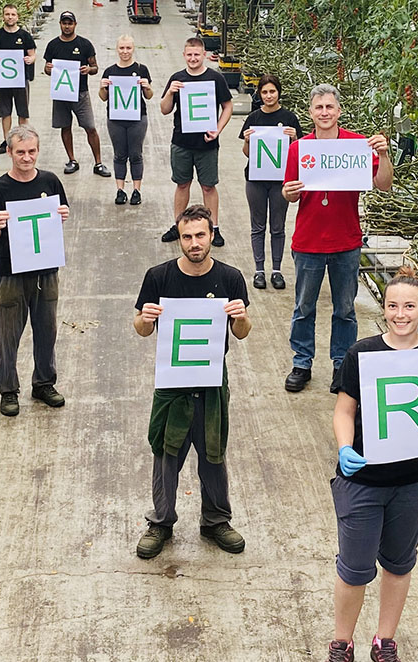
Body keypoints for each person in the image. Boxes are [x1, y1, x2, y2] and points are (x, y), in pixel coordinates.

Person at [321, 267, 418, 662]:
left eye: (409, 306)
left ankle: (384, 641)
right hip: (363, 482)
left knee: (399, 563)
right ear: (383, 308)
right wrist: (344, 446)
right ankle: (341, 643)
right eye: (392, 305)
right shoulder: (361, 354)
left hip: (416, 483)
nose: (400, 314)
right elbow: (344, 410)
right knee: (353, 568)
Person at [133, 205, 250, 559]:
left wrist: (241, 317)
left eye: (201, 235)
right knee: (167, 451)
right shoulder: (159, 276)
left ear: (212, 235)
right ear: (178, 238)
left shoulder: (230, 278)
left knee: (214, 450)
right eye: (187, 236)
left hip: (213, 379)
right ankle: (161, 522)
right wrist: (146, 319)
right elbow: (140, 328)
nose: (194, 243)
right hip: (173, 379)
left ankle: (216, 520)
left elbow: (242, 334)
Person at [281, 84, 393, 393]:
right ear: (310, 113)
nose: (325, 112)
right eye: (319, 108)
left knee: (345, 308)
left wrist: (383, 154)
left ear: (339, 111)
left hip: (346, 241)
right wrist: (288, 192)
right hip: (308, 242)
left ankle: (341, 364)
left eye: (330, 107)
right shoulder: (299, 149)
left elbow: (383, 184)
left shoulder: (357, 146)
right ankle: (302, 362)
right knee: (304, 307)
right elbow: (288, 193)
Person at [0, 126, 70, 417]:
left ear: (38, 151)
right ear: (9, 152)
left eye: (32, 151)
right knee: (9, 336)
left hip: (46, 270)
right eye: (20, 152)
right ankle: (8, 390)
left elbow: (57, 220)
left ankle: (44, 383)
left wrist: (63, 216)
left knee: (47, 331)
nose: (27, 157)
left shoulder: (50, 181)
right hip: (10, 274)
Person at [159, 37, 233, 247]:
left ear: (204, 55)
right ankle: (179, 225)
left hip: (207, 145)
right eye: (189, 54)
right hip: (181, 142)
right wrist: (170, 92)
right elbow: (164, 110)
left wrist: (217, 130)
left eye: (197, 54)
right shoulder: (177, 78)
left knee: (208, 186)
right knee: (182, 184)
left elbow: (227, 106)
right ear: (184, 55)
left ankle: (214, 228)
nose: (193, 58)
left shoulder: (215, 79)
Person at [239, 74, 302, 290]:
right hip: (256, 180)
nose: (268, 96)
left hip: (280, 181)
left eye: (272, 91)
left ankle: (276, 270)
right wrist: (248, 140)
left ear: (279, 93)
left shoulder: (290, 118)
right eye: (264, 92)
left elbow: (297, 153)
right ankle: (259, 271)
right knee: (257, 226)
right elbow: (247, 153)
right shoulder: (253, 118)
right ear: (259, 94)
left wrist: (294, 138)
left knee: (278, 226)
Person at [42, 12, 111, 177]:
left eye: (70, 23)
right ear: (60, 24)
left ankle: (98, 163)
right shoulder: (52, 45)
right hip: (61, 93)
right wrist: (48, 69)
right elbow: (46, 68)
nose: (67, 26)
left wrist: (89, 69)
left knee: (90, 127)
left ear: (75, 24)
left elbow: (95, 68)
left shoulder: (85, 44)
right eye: (64, 23)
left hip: (80, 93)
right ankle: (72, 159)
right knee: (65, 127)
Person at [98, 34, 153, 206]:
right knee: (119, 154)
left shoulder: (142, 69)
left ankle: (137, 190)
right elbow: (103, 98)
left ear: (133, 48)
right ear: (117, 49)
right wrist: (102, 87)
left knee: (136, 154)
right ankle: (120, 190)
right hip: (115, 118)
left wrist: (147, 86)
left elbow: (149, 96)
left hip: (137, 118)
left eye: (128, 48)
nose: (125, 51)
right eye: (122, 48)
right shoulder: (110, 71)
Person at [0, 3, 37, 154]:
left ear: (17, 17)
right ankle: (7, 141)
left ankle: (22, 140)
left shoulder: (24, 36)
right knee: (5, 111)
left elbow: (32, 54)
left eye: (13, 14)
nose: (10, 17)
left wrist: (30, 59)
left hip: (21, 79)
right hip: (4, 80)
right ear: (3, 16)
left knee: (22, 112)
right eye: (7, 14)